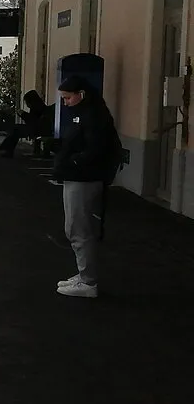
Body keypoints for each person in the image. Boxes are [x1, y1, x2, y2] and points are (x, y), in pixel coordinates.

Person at [52, 75, 122, 299]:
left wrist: (73, 161)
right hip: (79, 177)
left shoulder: (93, 117)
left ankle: (88, 280)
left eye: (68, 98)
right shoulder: (88, 113)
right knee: (76, 228)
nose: (66, 103)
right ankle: (83, 274)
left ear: (81, 95)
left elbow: (94, 149)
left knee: (79, 229)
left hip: (84, 178)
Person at [0, 90, 49, 157]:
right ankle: (6, 148)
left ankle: (6, 148)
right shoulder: (39, 106)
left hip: (36, 129)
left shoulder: (37, 107)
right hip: (37, 128)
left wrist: (22, 114)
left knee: (15, 130)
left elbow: (32, 120)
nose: (26, 104)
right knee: (15, 130)